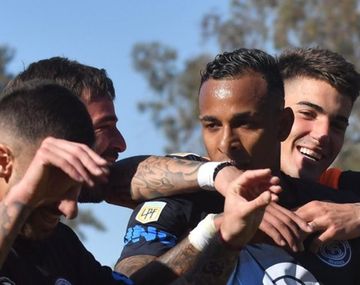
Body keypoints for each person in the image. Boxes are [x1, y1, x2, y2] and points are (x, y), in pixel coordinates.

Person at [116, 48, 360, 284]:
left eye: (245, 124)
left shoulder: (341, 203)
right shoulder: (181, 195)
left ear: (282, 123)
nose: (226, 143)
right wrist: (216, 229)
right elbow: (108, 180)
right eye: (212, 125)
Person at [0, 80, 280, 284]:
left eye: (75, 188)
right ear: (4, 162)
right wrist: (22, 198)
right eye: (50, 187)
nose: (70, 209)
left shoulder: (62, 248)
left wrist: (220, 231)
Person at [273, 47, 360, 252]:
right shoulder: (221, 180)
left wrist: (356, 215)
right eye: (308, 113)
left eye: (338, 125)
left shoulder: (344, 187)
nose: (323, 134)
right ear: (274, 114)